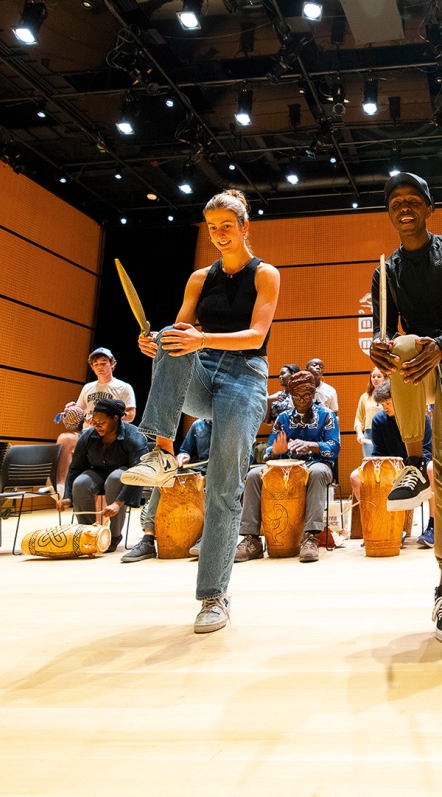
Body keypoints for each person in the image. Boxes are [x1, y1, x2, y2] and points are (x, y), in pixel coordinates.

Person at [120, 189, 280, 634]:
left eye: (227, 226)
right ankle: (159, 452)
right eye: (212, 228)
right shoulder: (197, 279)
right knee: (170, 333)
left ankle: (213, 596)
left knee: (224, 490)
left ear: (245, 227)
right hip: (203, 373)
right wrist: (157, 345)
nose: (219, 235)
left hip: (246, 377)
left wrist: (199, 340)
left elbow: (255, 335)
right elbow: (184, 332)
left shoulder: (265, 274)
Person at [369, 171, 442, 644]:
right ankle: (414, 462)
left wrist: (441, 345)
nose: (404, 206)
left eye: (413, 199)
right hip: (418, 363)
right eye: (395, 200)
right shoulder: (385, 269)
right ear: (389, 212)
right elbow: (382, 329)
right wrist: (377, 349)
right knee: (399, 344)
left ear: (428, 207)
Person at [234, 371, 339, 564]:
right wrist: (275, 450)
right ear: (291, 395)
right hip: (283, 469)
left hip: (317, 465)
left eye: (306, 395)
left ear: (313, 394)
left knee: (315, 473)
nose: (301, 400)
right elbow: (267, 453)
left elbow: (334, 447)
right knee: (255, 474)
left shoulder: (327, 416)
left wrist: (311, 445)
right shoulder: (282, 418)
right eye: (297, 396)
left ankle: (310, 537)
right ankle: (252, 539)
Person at [350, 382, 437, 546]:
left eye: (388, 403)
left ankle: (433, 526)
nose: (385, 408)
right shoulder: (378, 420)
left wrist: (406, 471)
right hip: (390, 468)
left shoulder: (420, 417)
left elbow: (426, 451)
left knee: (432, 469)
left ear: (399, 400)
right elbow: (378, 453)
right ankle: (380, 526)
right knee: (355, 477)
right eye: (382, 404)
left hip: (416, 466)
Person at [62, 398, 149, 551]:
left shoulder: (134, 436)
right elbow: (75, 469)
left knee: (115, 478)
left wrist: (118, 503)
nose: (96, 426)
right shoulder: (88, 436)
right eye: (94, 422)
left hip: (124, 473)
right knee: (80, 483)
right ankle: (88, 533)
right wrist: (67, 496)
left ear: (115, 418)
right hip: (98, 471)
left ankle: (114, 536)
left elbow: (139, 472)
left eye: (101, 422)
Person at [120, 418, 210, 563]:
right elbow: (185, 450)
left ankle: (208, 536)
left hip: (222, 472)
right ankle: (148, 538)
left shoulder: (233, 422)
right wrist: (183, 457)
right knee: (163, 480)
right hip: (199, 469)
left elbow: (247, 456)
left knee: (215, 484)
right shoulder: (198, 425)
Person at [55, 348, 137, 485]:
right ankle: (62, 486)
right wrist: (71, 411)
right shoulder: (88, 387)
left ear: (112, 364)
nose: (100, 367)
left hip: (111, 436)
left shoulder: (123, 387)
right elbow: (79, 413)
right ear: (92, 367)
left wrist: (108, 420)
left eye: (104, 363)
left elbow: (131, 415)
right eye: (96, 363)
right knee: (65, 439)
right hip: (88, 433)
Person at [352, 367, 387, 457]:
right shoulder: (364, 397)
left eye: (379, 376)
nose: (375, 379)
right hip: (369, 434)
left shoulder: (390, 396)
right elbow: (358, 419)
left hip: (386, 432)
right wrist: (359, 433)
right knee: (370, 465)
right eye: (373, 376)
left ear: (385, 378)